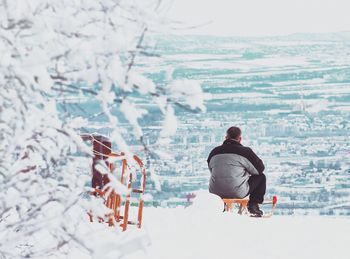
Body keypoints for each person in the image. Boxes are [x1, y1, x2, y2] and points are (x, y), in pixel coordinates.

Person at [207, 126, 266, 216]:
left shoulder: (214, 152)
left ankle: (221, 207)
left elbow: (212, 169)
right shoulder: (245, 152)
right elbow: (259, 170)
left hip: (215, 191)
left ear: (226, 138)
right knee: (261, 177)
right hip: (237, 191)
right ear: (239, 139)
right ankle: (253, 205)